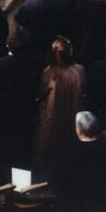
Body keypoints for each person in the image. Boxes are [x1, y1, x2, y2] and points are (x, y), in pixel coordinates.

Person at [33, 36, 86, 166]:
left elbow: (41, 94)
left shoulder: (48, 72)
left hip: (52, 119)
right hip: (72, 116)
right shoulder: (79, 71)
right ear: (70, 52)